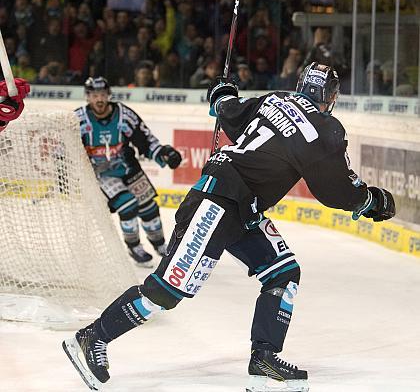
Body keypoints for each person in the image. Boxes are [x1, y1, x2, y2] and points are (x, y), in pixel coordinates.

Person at [63, 63, 396, 392]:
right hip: (218, 204)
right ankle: (92, 337)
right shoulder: (324, 128)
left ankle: (264, 360)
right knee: (166, 290)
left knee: (282, 272)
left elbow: (230, 113)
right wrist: (372, 201)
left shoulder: (276, 99)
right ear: (333, 95)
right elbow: (335, 188)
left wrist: (222, 92)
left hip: (240, 207)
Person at [74, 77, 182, 265]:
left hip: (128, 168)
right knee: (128, 205)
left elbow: (145, 139)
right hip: (100, 174)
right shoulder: (78, 120)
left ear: (108, 95)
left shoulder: (124, 114)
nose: (98, 99)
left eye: (102, 94)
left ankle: (160, 244)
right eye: (93, 95)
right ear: (87, 97)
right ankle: (134, 247)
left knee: (149, 206)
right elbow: (66, 148)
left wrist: (164, 153)